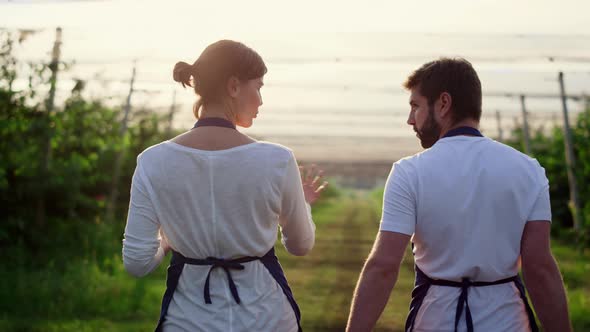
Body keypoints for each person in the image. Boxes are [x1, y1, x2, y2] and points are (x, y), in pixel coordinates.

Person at [346, 58, 572, 332]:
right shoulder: (529, 171)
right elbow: (540, 269)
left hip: (436, 321)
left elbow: (383, 266)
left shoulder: (410, 172)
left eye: (415, 106)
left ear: (443, 103)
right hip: (508, 322)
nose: (410, 119)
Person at [122, 39, 327, 332]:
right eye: (258, 87)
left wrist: (168, 241)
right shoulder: (277, 160)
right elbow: (300, 245)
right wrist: (303, 203)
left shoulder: (152, 161)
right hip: (267, 318)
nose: (260, 100)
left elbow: (137, 263)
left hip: (187, 321)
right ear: (233, 86)